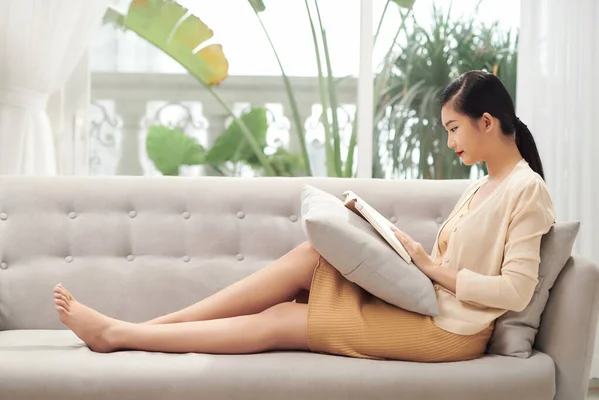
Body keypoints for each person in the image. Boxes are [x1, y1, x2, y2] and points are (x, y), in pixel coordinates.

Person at [53, 70, 554, 362]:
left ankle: (122, 336)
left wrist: (429, 266)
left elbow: (515, 290)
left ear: (486, 123)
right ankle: (150, 327)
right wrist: (396, 244)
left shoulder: (525, 191)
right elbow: (445, 265)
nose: (450, 142)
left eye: (453, 129)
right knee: (310, 254)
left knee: (281, 320)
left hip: (451, 332)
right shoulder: (485, 185)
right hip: (428, 305)